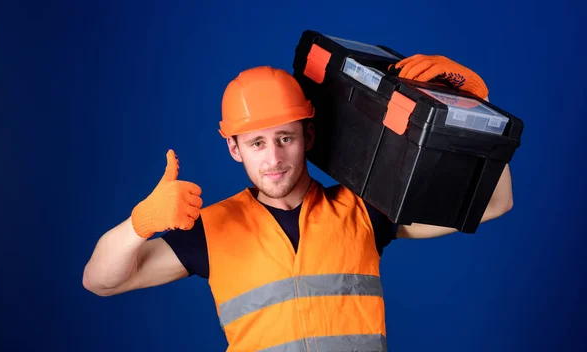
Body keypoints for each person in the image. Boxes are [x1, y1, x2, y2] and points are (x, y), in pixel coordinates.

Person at [83, 54, 513, 351]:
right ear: (235, 149)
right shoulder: (212, 230)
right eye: (256, 143)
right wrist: (139, 223)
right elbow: (99, 281)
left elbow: (494, 203)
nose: (273, 159)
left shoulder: (364, 210)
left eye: (285, 138)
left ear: (307, 137)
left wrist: (472, 111)